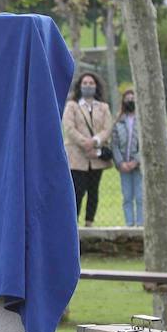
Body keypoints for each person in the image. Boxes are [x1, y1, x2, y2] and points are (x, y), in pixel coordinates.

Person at [63, 71, 113, 227]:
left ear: (96, 86)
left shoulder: (103, 107)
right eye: (85, 83)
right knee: (77, 191)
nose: (88, 86)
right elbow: (69, 127)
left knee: (93, 191)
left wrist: (95, 141)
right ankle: (73, 224)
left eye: (91, 83)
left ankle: (89, 222)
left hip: (96, 158)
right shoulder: (72, 106)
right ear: (80, 86)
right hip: (77, 157)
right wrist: (84, 142)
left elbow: (107, 128)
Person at [111, 88, 143, 228]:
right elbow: (115, 144)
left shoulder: (142, 121)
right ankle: (129, 224)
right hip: (123, 166)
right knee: (127, 196)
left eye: (133, 98)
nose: (130, 101)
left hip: (138, 165)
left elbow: (145, 143)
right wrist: (120, 163)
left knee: (141, 196)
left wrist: (136, 160)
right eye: (127, 98)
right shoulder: (118, 122)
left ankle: (141, 224)